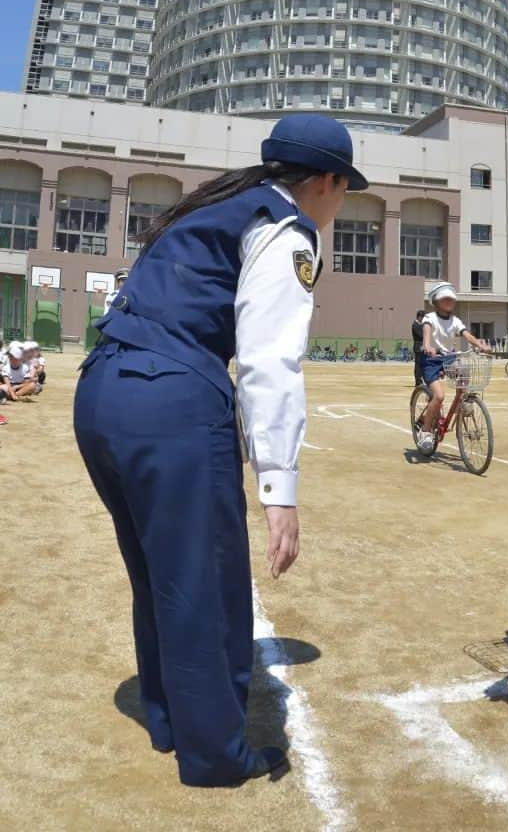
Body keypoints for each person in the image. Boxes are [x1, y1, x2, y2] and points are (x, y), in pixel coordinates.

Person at [73, 114, 369, 787]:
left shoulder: (215, 205)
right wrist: (280, 490)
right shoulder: (285, 227)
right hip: (169, 401)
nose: (340, 200)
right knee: (205, 581)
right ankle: (213, 755)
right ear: (325, 180)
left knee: (158, 575)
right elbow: (270, 359)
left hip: (101, 393)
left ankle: (170, 718)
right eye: (344, 187)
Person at [416, 282, 489, 453]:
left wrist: (479, 344)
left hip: (448, 358)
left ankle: (461, 402)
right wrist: (427, 346)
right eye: (445, 298)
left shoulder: (455, 320)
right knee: (439, 396)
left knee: (463, 370)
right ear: (436, 301)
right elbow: (427, 334)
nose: (449, 301)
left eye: (451, 298)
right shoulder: (430, 318)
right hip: (431, 360)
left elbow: (465, 334)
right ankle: (426, 432)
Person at [411, 309, 426, 387]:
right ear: (419, 317)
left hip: (422, 347)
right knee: (418, 365)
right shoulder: (415, 325)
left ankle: (421, 380)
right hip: (418, 347)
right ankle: (418, 381)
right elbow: (421, 335)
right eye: (422, 317)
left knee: (422, 365)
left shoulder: (420, 325)